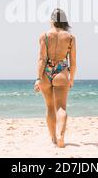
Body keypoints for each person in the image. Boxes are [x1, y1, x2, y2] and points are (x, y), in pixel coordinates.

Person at [34, 8, 76, 148]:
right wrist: (71, 79)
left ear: (51, 20)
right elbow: (73, 62)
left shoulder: (44, 36)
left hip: (46, 72)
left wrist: (38, 78)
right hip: (61, 72)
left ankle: (53, 138)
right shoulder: (70, 38)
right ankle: (60, 136)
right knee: (61, 108)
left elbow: (42, 59)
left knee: (50, 107)